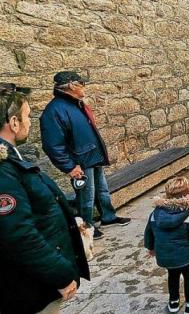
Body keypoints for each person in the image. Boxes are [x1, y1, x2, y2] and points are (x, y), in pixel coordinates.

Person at [0, 83, 90, 314]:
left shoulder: (12, 161)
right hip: (29, 289)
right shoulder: (4, 171)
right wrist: (60, 275)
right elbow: (18, 234)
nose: (30, 122)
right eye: (27, 116)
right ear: (13, 123)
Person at [40, 71, 130, 240]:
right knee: (86, 197)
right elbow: (52, 145)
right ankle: (86, 226)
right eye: (81, 83)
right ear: (72, 86)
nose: (84, 87)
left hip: (92, 156)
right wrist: (70, 167)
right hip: (80, 162)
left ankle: (108, 217)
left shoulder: (75, 104)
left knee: (102, 190)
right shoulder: (54, 110)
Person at [144, 176, 189, 314]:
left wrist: (150, 248)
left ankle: (173, 303)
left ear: (168, 195)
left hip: (166, 257)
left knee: (172, 276)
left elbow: (149, 232)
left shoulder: (155, 214)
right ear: (187, 196)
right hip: (185, 256)